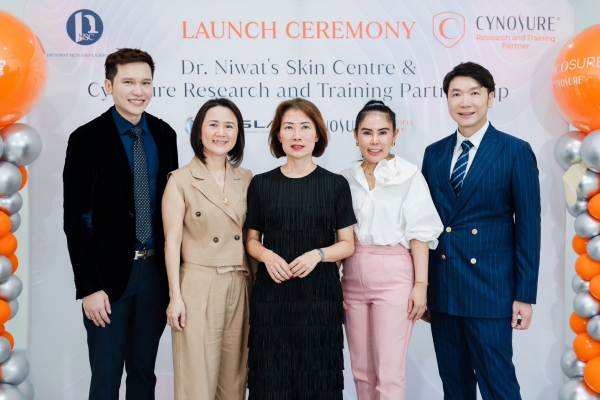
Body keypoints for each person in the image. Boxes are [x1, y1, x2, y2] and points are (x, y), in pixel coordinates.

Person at [63, 48, 179, 399]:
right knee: (106, 376)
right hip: (107, 282)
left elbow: (172, 210)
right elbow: (75, 220)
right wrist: (89, 287)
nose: (138, 91)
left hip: (154, 276)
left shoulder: (165, 134)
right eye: (128, 82)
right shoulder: (86, 139)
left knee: (144, 375)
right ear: (108, 85)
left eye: (145, 82)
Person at [421, 62, 541, 400]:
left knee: (499, 387)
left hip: (491, 292)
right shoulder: (434, 153)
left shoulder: (515, 151)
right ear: (447, 99)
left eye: (474, 93)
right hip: (444, 289)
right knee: (455, 388)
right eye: (456, 94)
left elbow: (529, 228)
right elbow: (425, 225)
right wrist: (423, 286)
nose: (465, 102)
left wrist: (525, 295)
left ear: (490, 97)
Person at [245, 98, 356, 399]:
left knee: (318, 380)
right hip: (272, 297)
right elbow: (251, 240)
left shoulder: (336, 185)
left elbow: (347, 244)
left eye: (305, 127)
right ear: (278, 135)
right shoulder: (261, 184)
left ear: (317, 134)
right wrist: (267, 255)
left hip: (320, 298)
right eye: (289, 128)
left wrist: (318, 255)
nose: (297, 135)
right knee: (271, 379)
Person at [341, 100, 443, 400]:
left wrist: (421, 285)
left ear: (395, 135)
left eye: (383, 132)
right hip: (351, 276)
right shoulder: (345, 178)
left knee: (389, 373)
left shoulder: (409, 175)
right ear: (355, 135)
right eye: (367, 132)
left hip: (394, 276)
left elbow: (420, 235)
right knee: (361, 371)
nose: (375, 141)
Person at [162, 98, 251, 400]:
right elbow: (172, 241)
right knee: (196, 383)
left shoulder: (247, 178)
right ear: (199, 130)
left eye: (229, 126)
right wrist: (175, 297)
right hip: (198, 285)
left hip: (240, 284)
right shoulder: (180, 180)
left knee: (234, 382)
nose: (221, 133)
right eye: (213, 125)